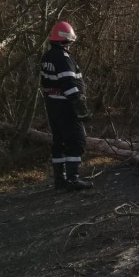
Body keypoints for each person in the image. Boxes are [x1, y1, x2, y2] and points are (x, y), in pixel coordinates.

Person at [40, 20, 93, 191]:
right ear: (66, 40)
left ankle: (60, 180)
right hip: (66, 107)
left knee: (59, 142)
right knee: (76, 141)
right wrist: (80, 107)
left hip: (52, 105)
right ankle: (73, 180)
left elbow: (47, 82)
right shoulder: (63, 58)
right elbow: (69, 83)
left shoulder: (47, 57)